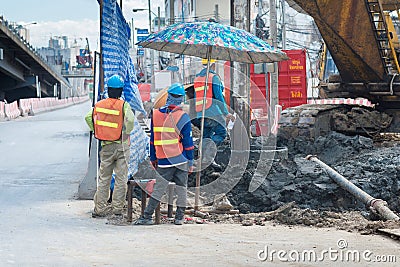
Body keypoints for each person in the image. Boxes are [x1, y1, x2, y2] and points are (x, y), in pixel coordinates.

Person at [135, 83, 194, 225]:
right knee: (182, 188)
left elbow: (152, 140)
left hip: (163, 161)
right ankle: (179, 218)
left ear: (168, 96)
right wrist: (190, 162)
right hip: (180, 159)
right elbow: (188, 144)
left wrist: (153, 158)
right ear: (180, 99)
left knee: (159, 190)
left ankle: (147, 217)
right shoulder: (183, 117)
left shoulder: (155, 115)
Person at [85, 74, 135, 218]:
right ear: (120, 91)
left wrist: (97, 130)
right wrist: (126, 131)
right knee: (121, 178)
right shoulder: (124, 105)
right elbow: (130, 120)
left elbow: (88, 117)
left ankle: (100, 208)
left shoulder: (99, 105)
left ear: (108, 89)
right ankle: (117, 209)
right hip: (122, 146)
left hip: (106, 146)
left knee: (104, 178)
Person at [194, 59, 234, 168]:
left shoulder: (197, 78)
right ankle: (207, 155)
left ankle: (204, 159)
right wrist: (226, 113)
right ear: (213, 65)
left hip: (200, 113)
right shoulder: (213, 78)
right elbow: (219, 97)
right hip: (212, 112)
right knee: (221, 133)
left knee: (206, 136)